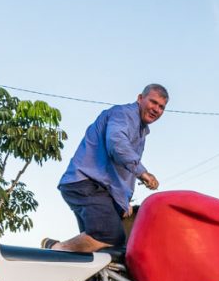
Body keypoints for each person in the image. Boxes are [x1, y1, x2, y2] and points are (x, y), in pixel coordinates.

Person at [44, 84, 168, 253]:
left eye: (161, 107)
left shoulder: (140, 131)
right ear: (140, 98)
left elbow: (121, 171)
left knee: (101, 249)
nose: (156, 109)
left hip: (99, 190)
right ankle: (55, 248)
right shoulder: (123, 115)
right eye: (153, 102)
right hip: (85, 183)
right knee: (110, 236)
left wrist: (124, 201)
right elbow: (117, 145)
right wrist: (143, 173)